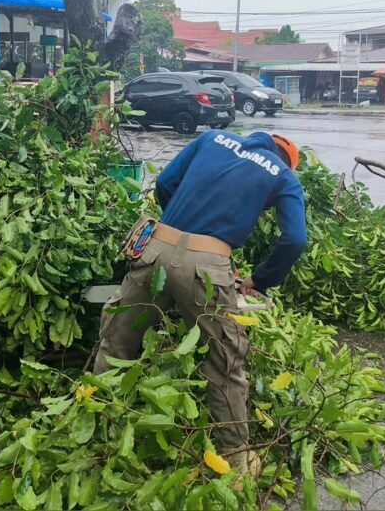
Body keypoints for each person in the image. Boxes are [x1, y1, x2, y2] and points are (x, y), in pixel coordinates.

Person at [93, 130, 307, 480]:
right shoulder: (282, 175)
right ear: (286, 160)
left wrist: (184, 230)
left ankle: (97, 426)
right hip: (205, 268)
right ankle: (236, 459)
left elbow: (165, 182)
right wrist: (259, 279)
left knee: (117, 338)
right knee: (226, 360)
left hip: (154, 247)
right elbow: (295, 239)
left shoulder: (213, 139)